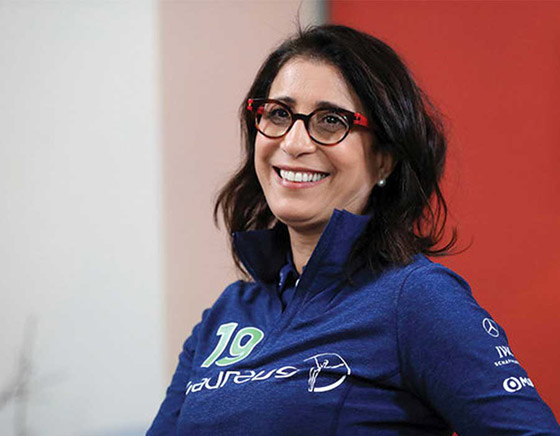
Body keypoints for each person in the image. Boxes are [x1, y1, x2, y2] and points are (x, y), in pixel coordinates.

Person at [147, 25, 560, 435]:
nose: (293, 143)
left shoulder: (415, 298)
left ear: (384, 159)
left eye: (330, 120)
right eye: (278, 114)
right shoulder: (227, 313)